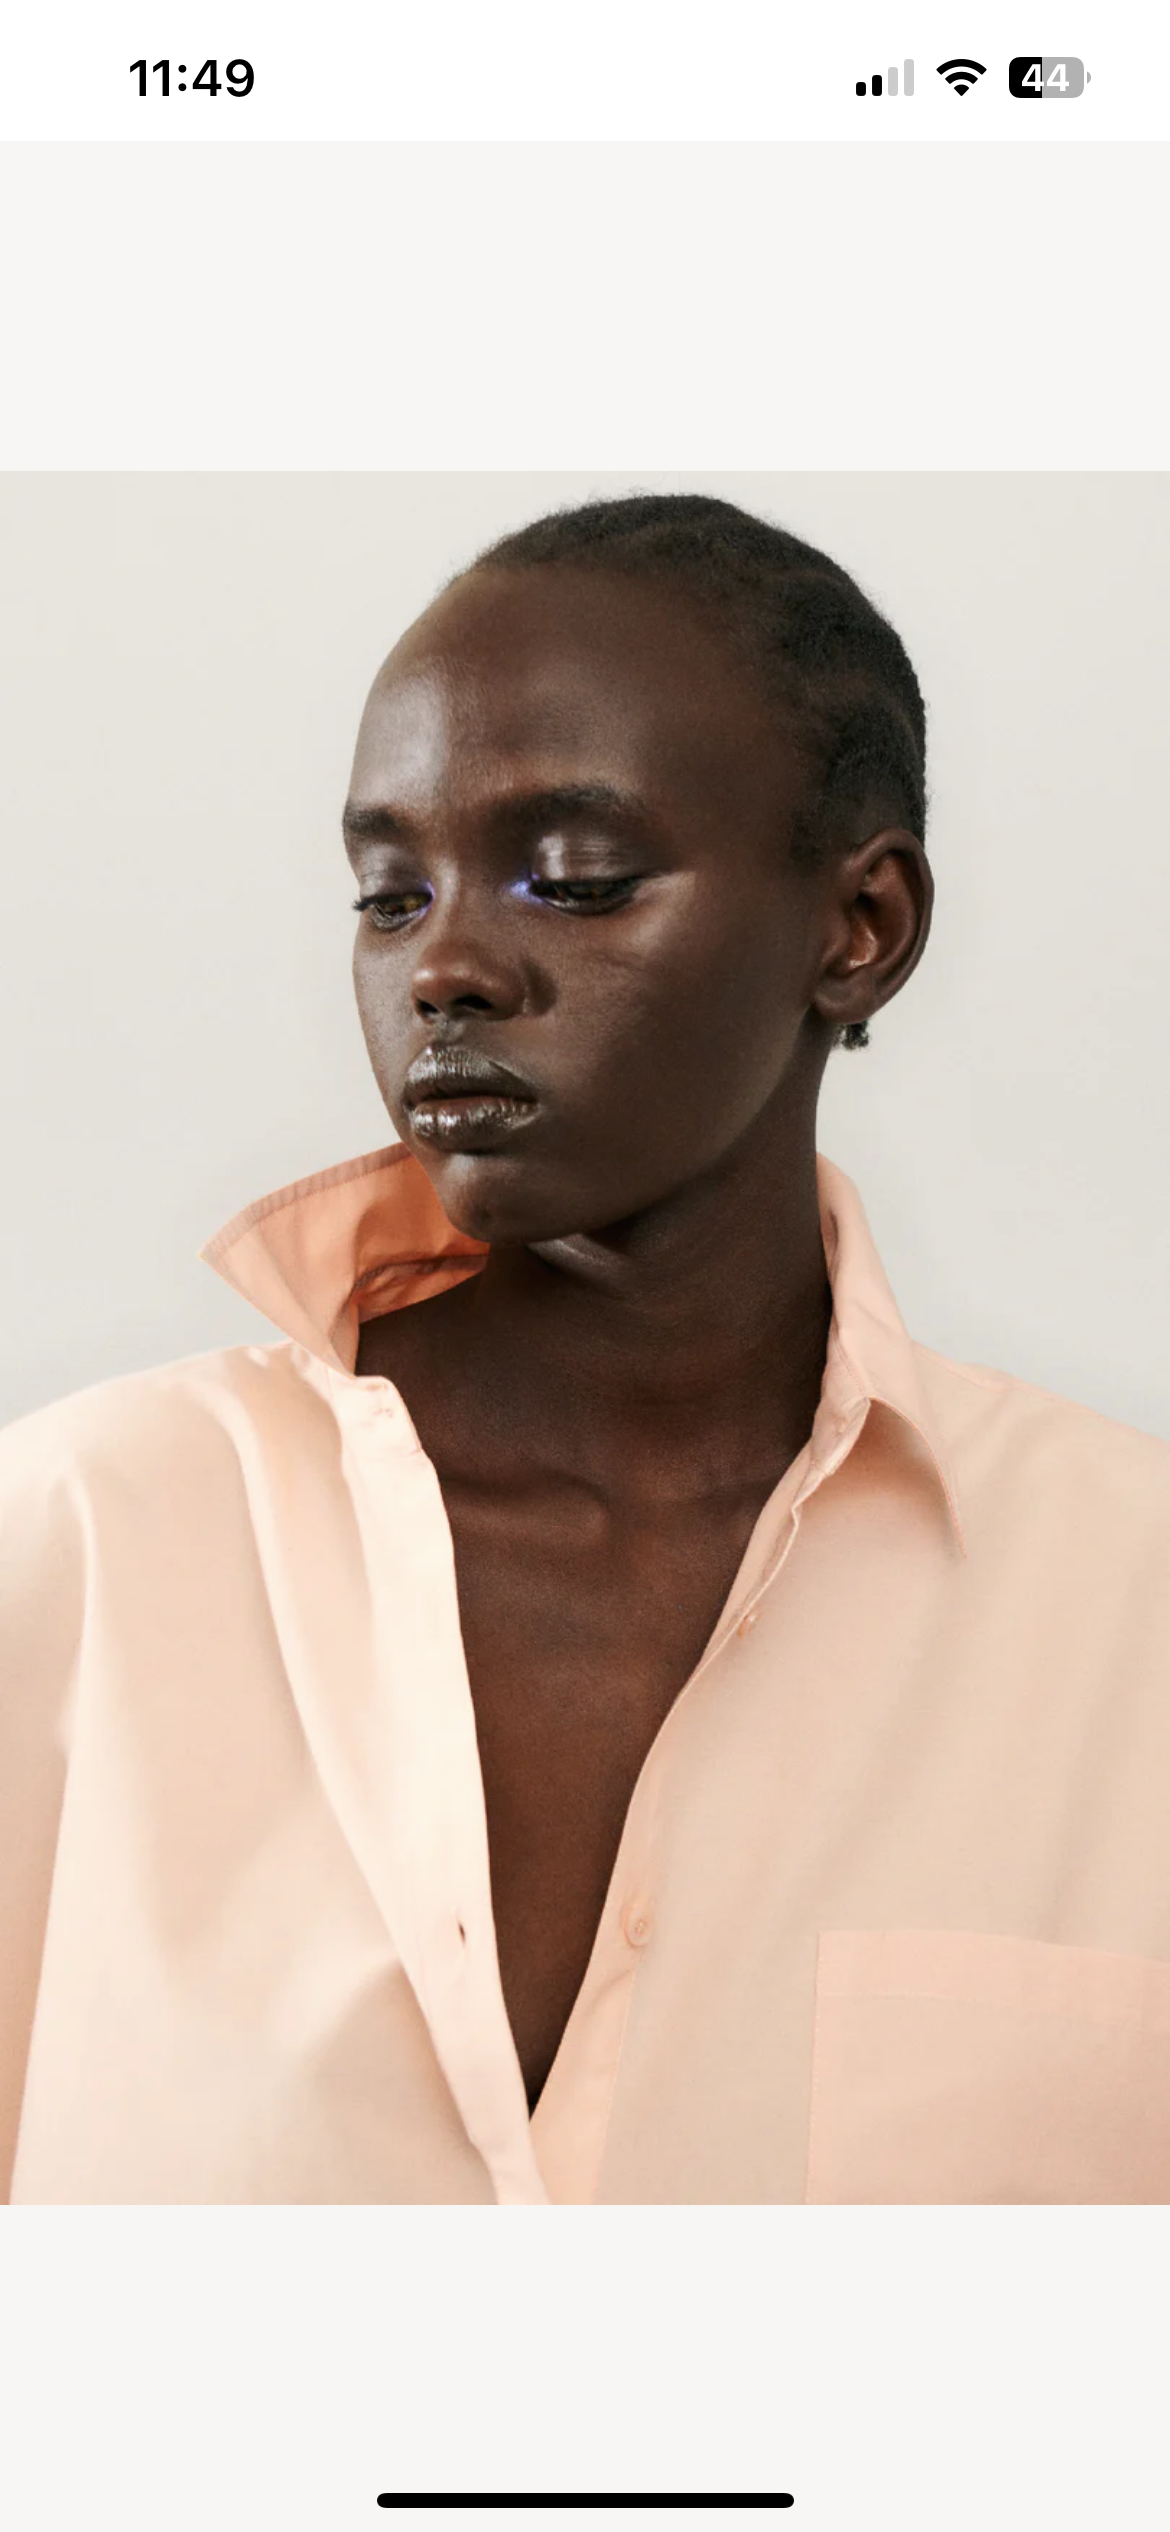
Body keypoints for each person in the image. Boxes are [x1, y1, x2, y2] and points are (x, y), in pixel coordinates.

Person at [3, 490, 1169, 2207]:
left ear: (860, 929)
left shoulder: (1130, 1604)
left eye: (572, 880)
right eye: (389, 895)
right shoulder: (80, 1542)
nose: (446, 967)